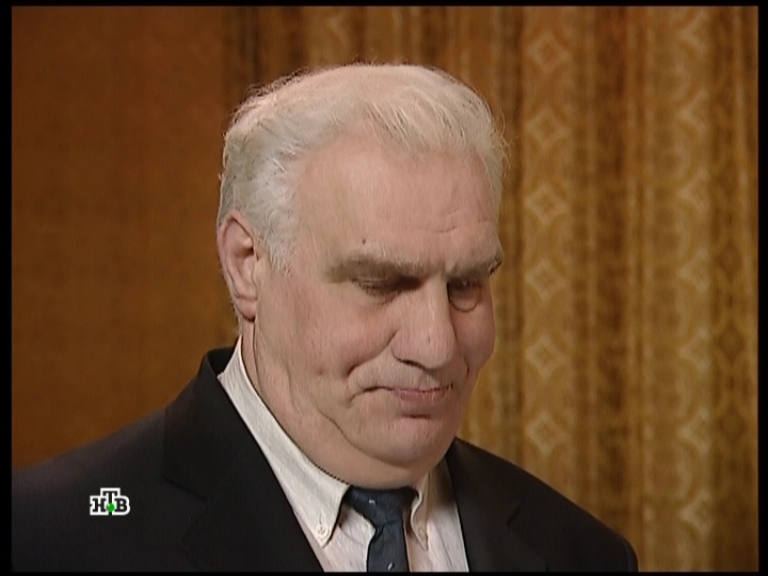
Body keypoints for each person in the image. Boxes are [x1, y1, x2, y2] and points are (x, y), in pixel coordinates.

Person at [12, 63, 638, 571]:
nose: (437, 345)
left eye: (466, 284)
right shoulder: (52, 537)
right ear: (247, 264)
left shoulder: (580, 552)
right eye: (379, 282)